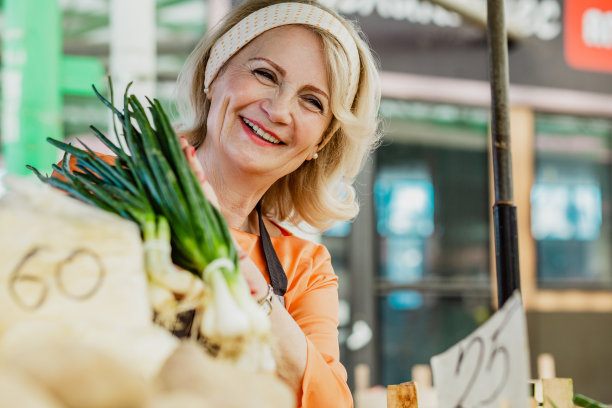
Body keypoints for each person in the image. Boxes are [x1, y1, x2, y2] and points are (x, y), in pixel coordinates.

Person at [175, 1, 381, 406]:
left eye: (312, 102)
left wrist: (253, 290)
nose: (278, 110)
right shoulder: (100, 182)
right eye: (265, 74)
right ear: (214, 74)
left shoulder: (305, 267)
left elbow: (332, 402)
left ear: (319, 143)